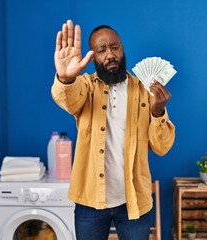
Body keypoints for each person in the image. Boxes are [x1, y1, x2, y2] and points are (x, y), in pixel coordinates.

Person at [51, 19, 175, 240]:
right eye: (101, 50)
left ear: (123, 49)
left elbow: (161, 146)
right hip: (90, 201)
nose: (110, 55)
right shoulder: (85, 87)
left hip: (133, 200)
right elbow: (67, 98)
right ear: (93, 56)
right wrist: (66, 77)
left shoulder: (145, 90)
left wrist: (158, 111)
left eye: (114, 47)